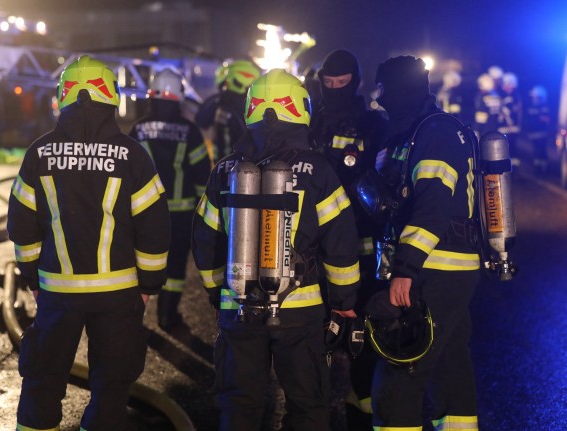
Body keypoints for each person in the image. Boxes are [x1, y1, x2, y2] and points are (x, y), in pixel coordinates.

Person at [7, 55, 171, 431]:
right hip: (118, 294)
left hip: (56, 291)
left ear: (63, 97)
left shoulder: (39, 153)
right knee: (111, 387)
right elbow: (155, 228)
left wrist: (33, 278)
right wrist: (148, 286)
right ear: (111, 97)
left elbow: (22, 225)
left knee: (42, 381)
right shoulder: (132, 155)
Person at [192, 69, 361, 430]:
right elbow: (341, 242)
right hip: (300, 310)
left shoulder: (226, 169)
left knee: (239, 404)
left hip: (238, 305)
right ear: (300, 109)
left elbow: (205, 236)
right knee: (307, 405)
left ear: (250, 110)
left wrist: (214, 289)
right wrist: (344, 303)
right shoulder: (318, 169)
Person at [370, 56, 481, 430]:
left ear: (399, 89)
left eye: (383, 89)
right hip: (441, 267)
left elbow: (433, 207)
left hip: (436, 268)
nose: (379, 98)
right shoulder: (410, 131)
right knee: (450, 364)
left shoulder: (434, 132)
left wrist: (405, 270)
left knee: (403, 366)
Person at [310, 48, 385, 431]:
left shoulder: (372, 125)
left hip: (361, 239)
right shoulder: (310, 120)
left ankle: (362, 410)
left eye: (342, 84)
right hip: (314, 243)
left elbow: (383, 181)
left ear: (355, 83)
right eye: (329, 83)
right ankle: (312, 413)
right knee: (312, 332)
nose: (335, 89)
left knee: (362, 333)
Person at [129, 68, 210, 330]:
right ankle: (167, 316)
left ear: (151, 96)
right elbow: (201, 174)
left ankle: (133, 320)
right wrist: (202, 214)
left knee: (138, 264)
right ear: (179, 98)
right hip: (181, 214)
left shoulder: (138, 129)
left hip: (142, 214)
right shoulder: (190, 131)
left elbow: (125, 172)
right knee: (174, 266)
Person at [202, 59, 260, 162]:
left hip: (223, 165)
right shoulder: (250, 106)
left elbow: (202, 119)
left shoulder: (220, 102)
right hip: (241, 166)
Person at [525, 85, 551, 174]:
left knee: (541, 151)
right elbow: (529, 120)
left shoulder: (544, 108)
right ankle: (537, 168)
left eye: (535, 97)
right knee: (536, 151)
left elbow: (546, 119)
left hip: (542, 134)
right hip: (533, 133)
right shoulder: (531, 107)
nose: (533, 99)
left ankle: (543, 169)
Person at [498, 72, 523, 166]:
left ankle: (512, 169)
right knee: (509, 149)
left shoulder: (511, 97)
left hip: (509, 128)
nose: (504, 86)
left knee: (510, 148)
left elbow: (512, 113)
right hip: (508, 128)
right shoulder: (514, 96)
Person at [473, 72, 501, 139]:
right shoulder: (496, 95)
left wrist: (476, 129)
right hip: (495, 127)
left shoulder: (482, 96)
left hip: (485, 129)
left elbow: (481, 115)